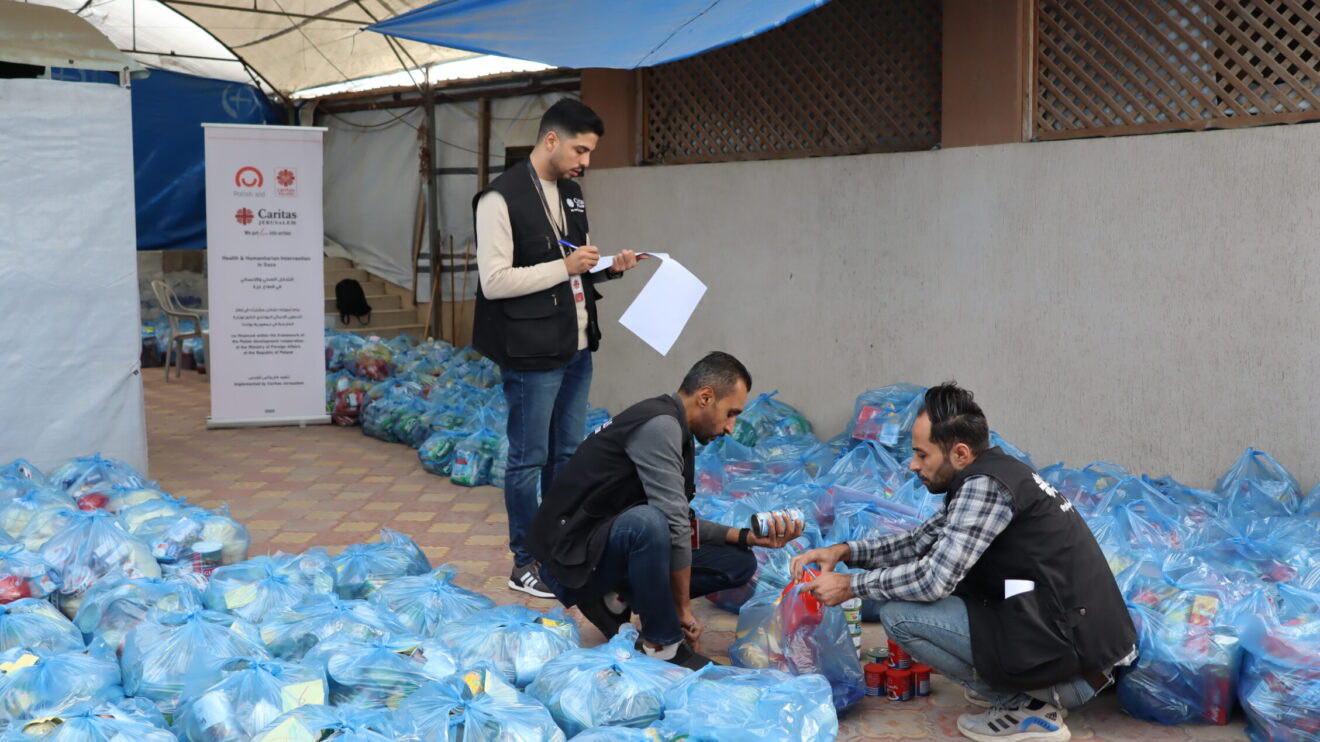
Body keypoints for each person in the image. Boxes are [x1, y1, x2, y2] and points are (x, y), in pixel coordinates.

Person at [791, 383, 1136, 742]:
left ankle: (1028, 709)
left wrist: (850, 586)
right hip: (1079, 646)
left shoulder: (985, 486)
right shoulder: (996, 473)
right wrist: (843, 552)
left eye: (922, 454)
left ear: (959, 452)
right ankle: (1021, 688)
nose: (913, 465)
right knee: (956, 587)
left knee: (900, 615)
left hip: (1076, 668)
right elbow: (918, 542)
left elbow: (932, 580)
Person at [527, 351, 805, 669]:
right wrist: (681, 610)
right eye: (731, 413)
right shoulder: (660, 426)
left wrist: (746, 537)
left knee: (737, 561)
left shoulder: (675, 426)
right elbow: (672, 523)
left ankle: (614, 599)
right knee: (650, 524)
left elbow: (681, 519)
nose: (731, 427)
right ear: (705, 397)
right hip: (570, 557)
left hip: (601, 542)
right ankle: (662, 643)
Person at [472, 99, 643, 598]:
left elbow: (574, 267)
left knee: (566, 456)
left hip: (576, 344)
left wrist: (607, 268)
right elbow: (495, 281)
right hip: (530, 352)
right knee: (529, 459)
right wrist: (565, 268)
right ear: (551, 139)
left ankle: (560, 549)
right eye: (580, 150)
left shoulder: (571, 194)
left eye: (589, 152)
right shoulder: (499, 199)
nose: (585, 161)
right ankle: (524, 560)